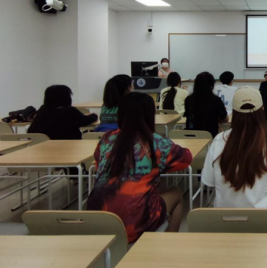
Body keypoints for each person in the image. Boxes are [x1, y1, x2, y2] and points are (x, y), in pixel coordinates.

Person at [88, 92, 192, 243]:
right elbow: (186, 159)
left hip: (96, 220)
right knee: (176, 192)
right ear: (150, 115)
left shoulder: (107, 138)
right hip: (135, 223)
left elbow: (99, 165)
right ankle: (168, 245)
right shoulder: (157, 143)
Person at [202, 87, 267, 208]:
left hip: (223, 217)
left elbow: (209, 181)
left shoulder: (218, 141)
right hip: (264, 217)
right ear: (262, 111)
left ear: (234, 113)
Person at [28, 85, 98, 140]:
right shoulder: (69, 111)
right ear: (66, 98)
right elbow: (86, 120)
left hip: (40, 148)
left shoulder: (43, 110)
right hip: (68, 147)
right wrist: (94, 115)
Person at [184, 72, 228, 138]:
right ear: (211, 86)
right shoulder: (216, 100)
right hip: (210, 136)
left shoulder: (188, 99)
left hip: (190, 136)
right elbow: (225, 118)